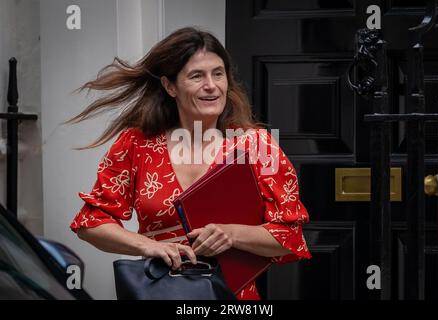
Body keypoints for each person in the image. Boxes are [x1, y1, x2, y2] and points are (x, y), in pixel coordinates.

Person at [68, 27, 311, 300]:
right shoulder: (135, 143)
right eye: (197, 76)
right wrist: (145, 245)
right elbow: (91, 222)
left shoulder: (257, 145)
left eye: (218, 74)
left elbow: (288, 238)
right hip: (160, 291)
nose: (211, 85)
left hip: (231, 297)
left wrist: (232, 234)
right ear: (170, 86)